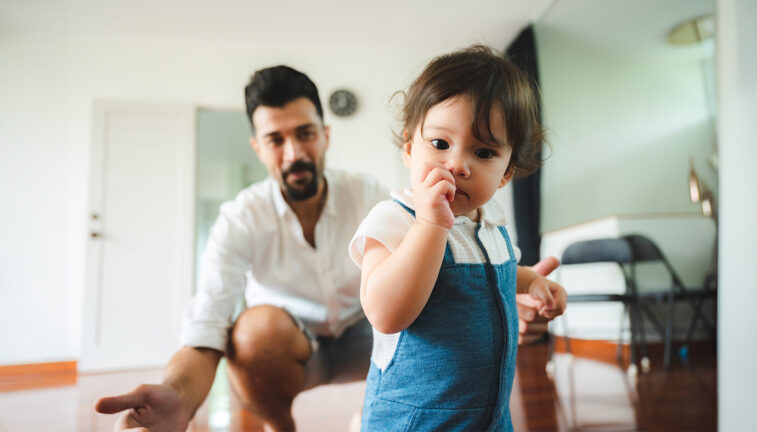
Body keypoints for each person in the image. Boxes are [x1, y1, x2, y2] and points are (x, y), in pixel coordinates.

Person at [94, 64, 564, 432]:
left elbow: (468, 272)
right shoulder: (244, 218)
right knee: (252, 332)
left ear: (325, 135)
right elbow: (207, 324)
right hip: (305, 349)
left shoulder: (370, 192)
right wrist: (179, 397)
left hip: (380, 343)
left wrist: (512, 292)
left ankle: (365, 411)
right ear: (259, 148)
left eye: (305, 134)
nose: (294, 153)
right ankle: (282, 424)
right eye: (277, 140)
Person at [348, 45, 567, 431]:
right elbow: (385, 313)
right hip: (414, 417)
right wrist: (430, 226)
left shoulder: (491, 223)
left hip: (488, 413)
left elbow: (494, 274)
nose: (458, 165)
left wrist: (531, 280)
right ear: (410, 149)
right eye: (440, 144)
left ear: (505, 173)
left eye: (483, 152)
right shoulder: (395, 220)